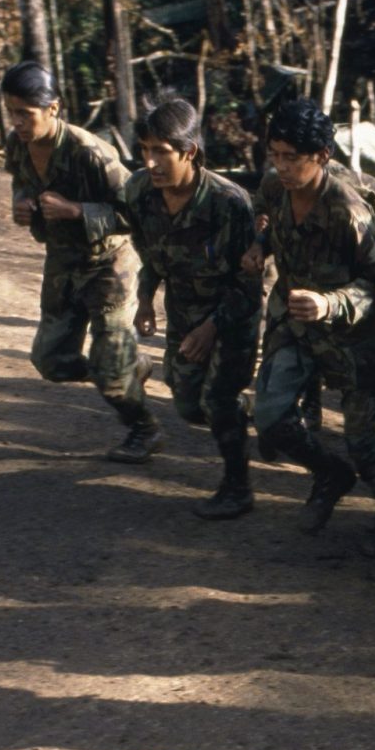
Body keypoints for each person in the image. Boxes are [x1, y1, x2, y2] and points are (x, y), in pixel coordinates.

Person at [251, 98, 375, 557]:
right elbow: (265, 222)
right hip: (293, 325)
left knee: (361, 439)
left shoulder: (347, 211)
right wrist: (260, 246)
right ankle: (329, 474)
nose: (280, 166)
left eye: (291, 158)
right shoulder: (275, 187)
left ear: (321, 156)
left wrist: (329, 303)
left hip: (348, 338)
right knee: (270, 418)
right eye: (274, 154)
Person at [0, 61, 158, 462]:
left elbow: (139, 212)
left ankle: (143, 428)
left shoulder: (92, 152)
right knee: (50, 361)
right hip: (63, 262)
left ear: (54, 108)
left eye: (26, 113)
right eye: (12, 112)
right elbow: (21, 182)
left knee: (111, 376)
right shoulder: (17, 144)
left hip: (110, 265)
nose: (17, 121)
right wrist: (21, 204)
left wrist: (76, 211)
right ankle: (125, 366)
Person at [120, 98, 263, 519]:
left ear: (189, 152)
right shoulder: (141, 192)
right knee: (188, 405)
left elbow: (249, 286)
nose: (150, 161)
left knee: (217, 399)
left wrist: (213, 328)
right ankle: (252, 410)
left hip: (232, 314)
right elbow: (151, 256)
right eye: (145, 149)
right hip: (183, 312)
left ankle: (238, 488)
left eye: (160, 151)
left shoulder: (230, 203)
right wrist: (145, 298)